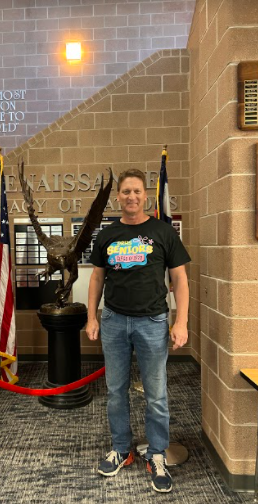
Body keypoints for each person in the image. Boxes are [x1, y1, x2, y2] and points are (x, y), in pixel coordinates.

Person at [86, 168, 190, 493]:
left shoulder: (163, 231)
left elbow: (181, 280)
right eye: (126, 192)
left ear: (145, 195)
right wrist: (92, 317)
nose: (131, 197)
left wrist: (182, 321)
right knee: (115, 391)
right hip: (115, 321)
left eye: (137, 191)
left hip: (153, 322)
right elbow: (96, 279)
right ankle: (121, 449)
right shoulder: (107, 235)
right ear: (118, 197)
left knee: (156, 395)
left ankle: (156, 454)